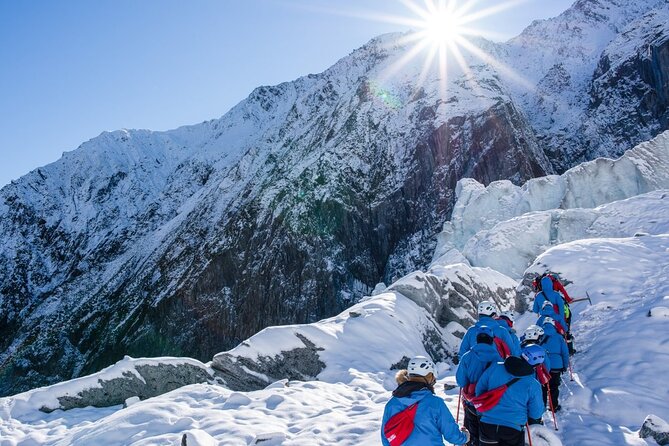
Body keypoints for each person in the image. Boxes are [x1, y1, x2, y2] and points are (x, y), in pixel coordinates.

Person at [382, 356, 469, 445]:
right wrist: (464, 437)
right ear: (429, 375)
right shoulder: (435, 403)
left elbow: (386, 439)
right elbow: (452, 435)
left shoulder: (391, 404)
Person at [474, 349, 545, 446]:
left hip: (487, 424)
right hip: (513, 428)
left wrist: (482, 412)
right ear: (537, 365)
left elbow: (479, 389)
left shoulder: (495, 367)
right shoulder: (533, 384)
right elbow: (536, 413)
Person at [456, 326, 502, 446]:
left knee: (473, 432)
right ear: (491, 339)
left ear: (477, 339)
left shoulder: (467, 356)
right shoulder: (498, 358)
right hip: (490, 402)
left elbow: (460, 381)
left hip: (472, 401)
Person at [538, 317, 569, 411]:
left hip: (542, 365)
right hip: (556, 365)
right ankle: (553, 406)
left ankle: (541, 407)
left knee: (542, 387)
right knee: (554, 387)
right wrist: (565, 365)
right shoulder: (559, 337)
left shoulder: (539, 336)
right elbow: (565, 353)